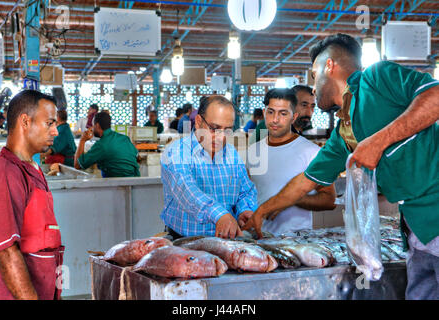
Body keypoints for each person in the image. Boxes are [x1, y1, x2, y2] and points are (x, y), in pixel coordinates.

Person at [243, 33, 439, 300]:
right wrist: (261, 211)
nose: (313, 88)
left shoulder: (377, 78)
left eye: (314, 75)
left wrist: (378, 141)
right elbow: (305, 181)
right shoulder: (343, 131)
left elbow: (435, 96)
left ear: (329, 66)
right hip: (415, 230)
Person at [0, 90, 65, 300]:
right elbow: (6, 251)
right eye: (49, 123)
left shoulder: (32, 169)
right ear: (25, 121)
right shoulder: (5, 172)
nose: (55, 132)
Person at [161, 95, 257, 240]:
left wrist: (245, 210)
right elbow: (187, 190)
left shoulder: (231, 153)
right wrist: (220, 215)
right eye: (214, 128)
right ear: (199, 122)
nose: (220, 137)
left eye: (227, 130)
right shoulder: (177, 152)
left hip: (226, 240)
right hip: (185, 242)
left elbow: (245, 191)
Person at [247, 88, 336, 235]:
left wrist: (291, 199)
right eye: (271, 112)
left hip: (296, 242)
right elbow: (249, 193)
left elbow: (329, 200)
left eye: (283, 113)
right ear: (264, 113)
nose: (275, 119)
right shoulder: (254, 151)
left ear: (293, 117)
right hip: (259, 239)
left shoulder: (312, 152)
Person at [74, 112, 140, 177]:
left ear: (97, 125)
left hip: (117, 184)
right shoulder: (125, 138)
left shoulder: (101, 145)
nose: (92, 128)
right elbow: (137, 157)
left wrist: (82, 140)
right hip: (135, 181)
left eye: (93, 125)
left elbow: (77, 165)